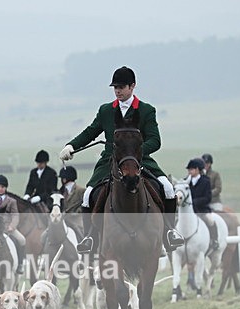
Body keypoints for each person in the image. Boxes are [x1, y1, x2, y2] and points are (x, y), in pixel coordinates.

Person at [58, 66, 183, 254]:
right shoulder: (106, 110)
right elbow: (91, 131)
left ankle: (169, 232)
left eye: (122, 87)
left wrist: (136, 153)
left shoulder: (146, 110)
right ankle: (90, 236)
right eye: (115, 87)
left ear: (132, 86)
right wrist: (72, 145)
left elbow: (155, 140)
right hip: (110, 160)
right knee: (87, 195)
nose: (117, 91)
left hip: (139, 159)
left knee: (167, 188)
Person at [186, 157, 219, 252]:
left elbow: (207, 198)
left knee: (210, 221)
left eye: (191, 169)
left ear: (197, 170)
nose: (189, 171)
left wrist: (194, 202)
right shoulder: (186, 182)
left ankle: (214, 240)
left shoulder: (205, 181)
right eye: (189, 169)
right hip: (189, 211)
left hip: (202, 210)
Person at [58, 165, 85, 240]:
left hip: (76, 220)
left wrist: (77, 212)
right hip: (63, 220)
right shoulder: (61, 191)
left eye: (62, 178)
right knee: (45, 235)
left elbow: (84, 205)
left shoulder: (81, 190)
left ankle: (86, 247)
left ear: (65, 179)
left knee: (81, 234)